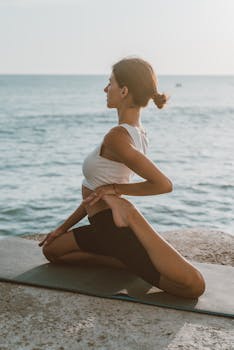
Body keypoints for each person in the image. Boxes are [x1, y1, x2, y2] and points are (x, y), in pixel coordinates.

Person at [39, 57, 205, 298]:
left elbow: (163, 184)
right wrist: (62, 227)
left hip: (113, 227)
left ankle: (129, 222)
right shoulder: (138, 133)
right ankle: (122, 260)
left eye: (110, 83)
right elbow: (95, 191)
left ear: (124, 90)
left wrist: (117, 191)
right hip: (101, 225)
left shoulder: (117, 137)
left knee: (192, 286)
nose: (106, 89)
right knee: (52, 250)